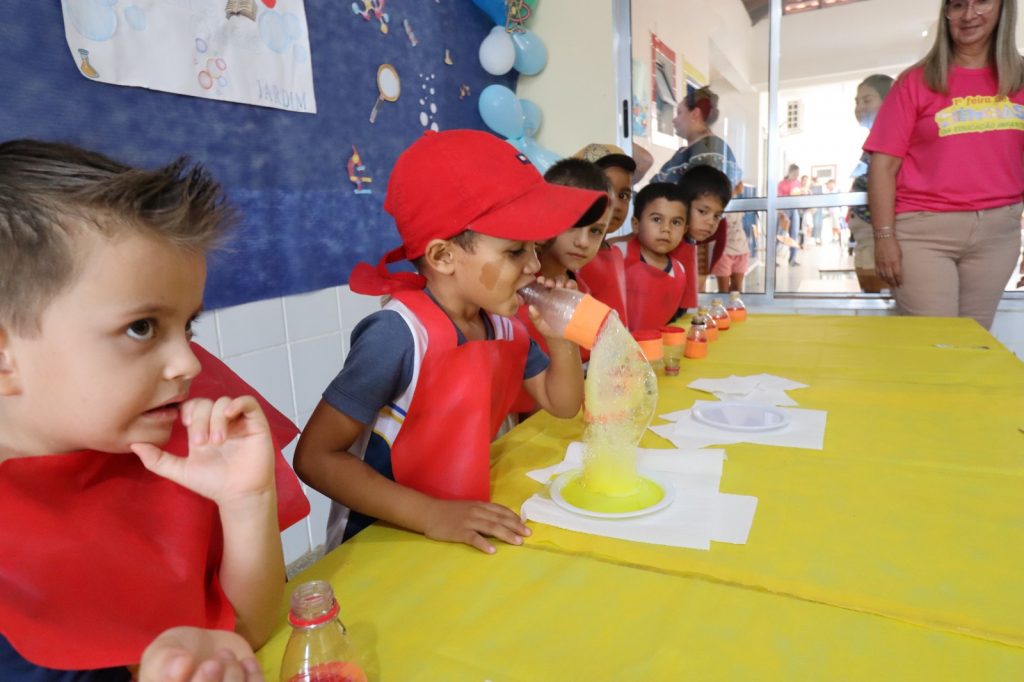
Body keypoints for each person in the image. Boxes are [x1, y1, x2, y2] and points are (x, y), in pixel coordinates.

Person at [0, 140, 309, 678]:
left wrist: (246, 501)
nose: (188, 363)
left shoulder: (170, 446)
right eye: (141, 328)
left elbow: (247, 630)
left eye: (188, 326)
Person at [293, 130, 604, 556]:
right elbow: (315, 458)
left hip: (459, 524)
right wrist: (431, 514)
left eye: (535, 248)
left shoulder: (502, 324)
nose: (534, 264)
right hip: (381, 540)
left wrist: (561, 338)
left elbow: (563, 403)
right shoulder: (398, 336)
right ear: (442, 257)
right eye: (515, 252)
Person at [866, 0, 1024, 329]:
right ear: (946, 15)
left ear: (1003, 8)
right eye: (957, 5)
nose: (969, 14)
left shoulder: (1020, 79)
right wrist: (884, 238)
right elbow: (883, 168)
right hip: (924, 234)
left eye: (981, 2)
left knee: (975, 342)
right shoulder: (915, 82)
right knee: (935, 343)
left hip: (999, 234)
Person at [517, 158, 612, 358]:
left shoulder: (579, 290)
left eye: (596, 231)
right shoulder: (514, 286)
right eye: (574, 224)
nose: (583, 242)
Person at [616, 182, 689, 331]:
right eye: (657, 219)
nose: (666, 229)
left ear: (685, 230)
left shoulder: (679, 271)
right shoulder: (617, 255)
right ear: (636, 224)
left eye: (676, 222)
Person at [848, 74, 895, 293]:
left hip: (877, 234)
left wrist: (883, 235)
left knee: (877, 298)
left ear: (889, 102)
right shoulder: (872, 141)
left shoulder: (892, 140)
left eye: (867, 100)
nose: (859, 107)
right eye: (857, 102)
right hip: (866, 234)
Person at [653, 86, 741, 187]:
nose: (674, 120)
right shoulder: (687, 152)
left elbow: (699, 194)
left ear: (695, 114)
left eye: (679, 113)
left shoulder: (709, 150)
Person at [674, 164, 732, 304]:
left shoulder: (701, 241)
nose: (711, 222)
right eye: (702, 211)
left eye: (717, 215)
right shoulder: (667, 241)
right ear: (683, 205)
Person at [712, 181, 751, 293]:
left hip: (741, 250)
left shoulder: (738, 201)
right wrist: (735, 192)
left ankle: (735, 310)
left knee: (737, 290)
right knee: (723, 292)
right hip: (724, 251)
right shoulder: (718, 202)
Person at [777, 163, 802, 266]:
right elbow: (778, 198)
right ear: (791, 172)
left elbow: (798, 195)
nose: (797, 175)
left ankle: (792, 259)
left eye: (798, 173)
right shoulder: (782, 183)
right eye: (796, 173)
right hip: (784, 209)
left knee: (794, 235)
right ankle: (771, 259)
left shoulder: (798, 183)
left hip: (794, 209)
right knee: (779, 234)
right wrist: (781, 213)